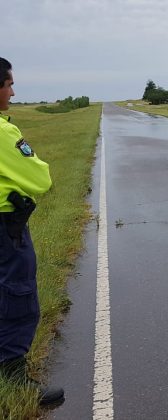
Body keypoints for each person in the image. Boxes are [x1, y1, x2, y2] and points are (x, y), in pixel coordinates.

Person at [0, 57, 64, 406]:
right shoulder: (2, 132)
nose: (13, 90)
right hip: (6, 230)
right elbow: (41, 179)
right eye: (8, 84)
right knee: (18, 297)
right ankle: (13, 377)